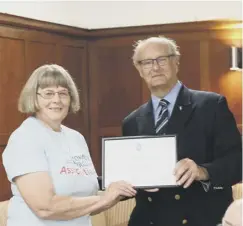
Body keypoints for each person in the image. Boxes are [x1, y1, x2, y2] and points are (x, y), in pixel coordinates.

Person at [122, 36, 242, 226]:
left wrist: (203, 171)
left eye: (162, 59)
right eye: (147, 62)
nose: (155, 67)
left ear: (176, 62)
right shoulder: (130, 122)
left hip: (200, 220)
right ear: (139, 69)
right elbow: (129, 176)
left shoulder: (211, 106)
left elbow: (238, 163)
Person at [2, 64, 137, 226]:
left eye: (63, 93)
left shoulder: (76, 138)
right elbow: (45, 208)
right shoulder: (25, 138)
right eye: (48, 93)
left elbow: (88, 204)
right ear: (33, 97)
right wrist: (105, 197)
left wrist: (121, 190)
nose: (56, 100)